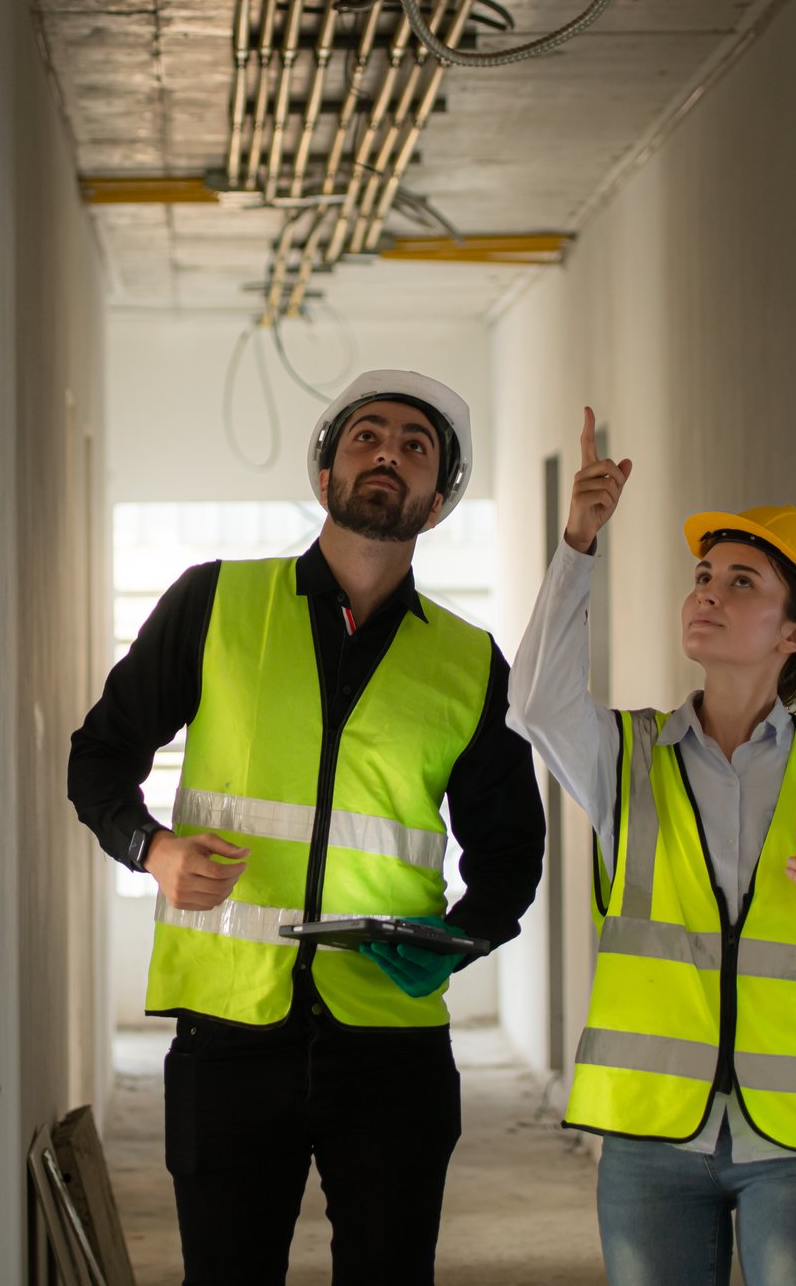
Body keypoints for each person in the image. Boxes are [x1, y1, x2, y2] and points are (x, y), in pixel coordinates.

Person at [69, 370, 545, 1285]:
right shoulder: (214, 604)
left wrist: (457, 942)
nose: (388, 455)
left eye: (416, 448)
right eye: (368, 436)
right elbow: (100, 756)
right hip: (230, 1034)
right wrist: (153, 849)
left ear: (437, 502)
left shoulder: (468, 662)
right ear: (324, 473)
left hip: (392, 1042)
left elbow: (510, 855)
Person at [510, 407, 796, 1286]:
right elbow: (533, 703)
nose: (707, 591)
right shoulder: (629, 760)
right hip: (648, 1142)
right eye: (704, 575)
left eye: (742, 581)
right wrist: (578, 545)